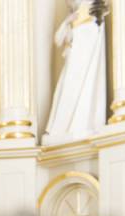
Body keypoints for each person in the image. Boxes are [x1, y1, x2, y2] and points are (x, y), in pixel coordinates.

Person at [43, 0, 106, 145]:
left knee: (83, 90)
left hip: (84, 63)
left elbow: (92, 43)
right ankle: (59, 129)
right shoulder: (74, 17)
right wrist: (67, 21)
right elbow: (58, 39)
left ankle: (79, 125)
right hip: (72, 63)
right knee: (65, 93)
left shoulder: (92, 15)